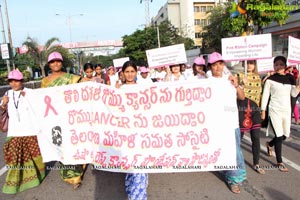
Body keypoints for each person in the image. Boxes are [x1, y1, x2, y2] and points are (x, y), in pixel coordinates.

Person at [41, 51, 85, 189]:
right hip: (54, 120)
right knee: (60, 146)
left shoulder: (72, 78)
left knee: (73, 145)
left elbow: (83, 89)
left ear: (62, 62)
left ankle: (76, 175)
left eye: (58, 61)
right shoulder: (45, 81)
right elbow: (41, 100)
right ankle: (67, 173)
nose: (56, 64)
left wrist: (87, 82)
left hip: (70, 118)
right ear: (49, 64)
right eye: (52, 62)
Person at [1, 69, 46, 194]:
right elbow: (2, 109)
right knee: (14, 158)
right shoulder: (7, 93)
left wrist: (30, 98)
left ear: (22, 81)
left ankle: (36, 177)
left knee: (34, 156)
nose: (14, 84)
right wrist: (3, 104)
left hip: (30, 130)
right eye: (11, 81)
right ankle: (14, 183)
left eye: (17, 81)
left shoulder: (30, 92)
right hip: (14, 132)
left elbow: (41, 106)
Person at [208, 52, 247, 194]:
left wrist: (236, 85)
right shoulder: (207, 83)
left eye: (220, 64)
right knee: (222, 150)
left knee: (234, 151)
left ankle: (234, 180)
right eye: (214, 65)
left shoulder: (230, 80)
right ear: (210, 67)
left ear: (223, 65)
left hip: (232, 122)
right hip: (216, 123)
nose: (217, 67)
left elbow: (242, 97)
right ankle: (229, 173)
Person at [261, 56, 300, 172]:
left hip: (286, 110)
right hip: (274, 110)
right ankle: (279, 162)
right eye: (276, 64)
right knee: (278, 135)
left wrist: (297, 86)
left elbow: (293, 94)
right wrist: (263, 111)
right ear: (273, 66)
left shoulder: (290, 78)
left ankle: (270, 144)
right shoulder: (270, 80)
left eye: (281, 64)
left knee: (285, 135)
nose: (278, 66)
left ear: (285, 66)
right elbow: (265, 96)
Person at [120, 61, 148, 200]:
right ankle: (133, 192)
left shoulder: (143, 88)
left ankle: (139, 195)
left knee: (140, 165)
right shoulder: (118, 90)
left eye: (132, 71)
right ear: (123, 73)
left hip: (141, 133)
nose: (130, 74)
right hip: (126, 134)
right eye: (127, 72)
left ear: (136, 73)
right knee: (130, 164)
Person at [236, 60, 264, 174]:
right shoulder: (239, 76)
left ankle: (256, 163)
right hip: (242, 109)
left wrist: (262, 110)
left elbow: (260, 95)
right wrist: (241, 84)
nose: (249, 65)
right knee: (239, 138)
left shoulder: (258, 77)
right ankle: (235, 162)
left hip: (255, 109)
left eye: (252, 63)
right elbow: (236, 94)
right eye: (247, 63)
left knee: (256, 137)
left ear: (255, 65)